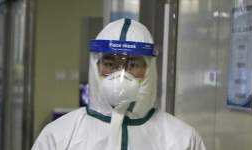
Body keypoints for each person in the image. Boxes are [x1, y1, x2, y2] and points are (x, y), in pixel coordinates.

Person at [32, 18, 206, 150]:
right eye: (110, 64)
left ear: (149, 70)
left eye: (132, 65)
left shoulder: (182, 140)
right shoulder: (58, 136)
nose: (120, 76)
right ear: (96, 67)